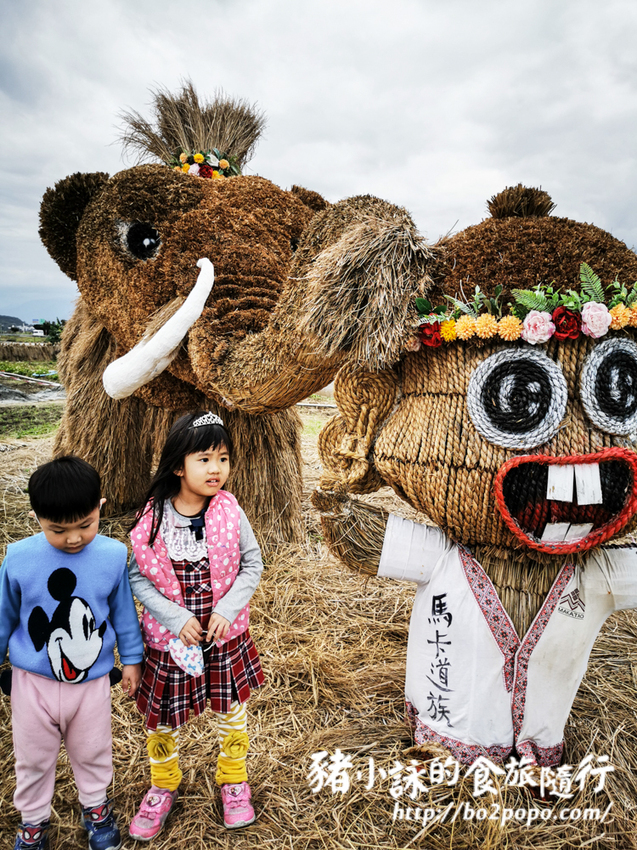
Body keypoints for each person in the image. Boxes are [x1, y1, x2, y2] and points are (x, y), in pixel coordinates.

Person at [127, 411, 264, 840]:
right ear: (177, 465)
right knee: (162, 719)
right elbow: (137, 577)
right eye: (204, 459)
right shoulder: (153, 517)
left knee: (231, 713)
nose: (216, 469)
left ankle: (234, 780)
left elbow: (251, 564)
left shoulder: (229, 509)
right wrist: (177, 617)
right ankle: (163, 784)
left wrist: (226, 609)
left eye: (223, 458)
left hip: (224, 637)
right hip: (172, 642)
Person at [0, 456, 143, 850]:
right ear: (37, 517)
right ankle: (33, 821)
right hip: (33, 681)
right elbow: (4, 615)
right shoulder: (19, 559)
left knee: (93, 749)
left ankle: (96, 808)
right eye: (57, 530)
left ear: (99, 506)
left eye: (85, 525)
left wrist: (131, 659)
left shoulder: (113, 556)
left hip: (91, 681)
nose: (75, 538)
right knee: (32, 755)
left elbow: (123, 614)